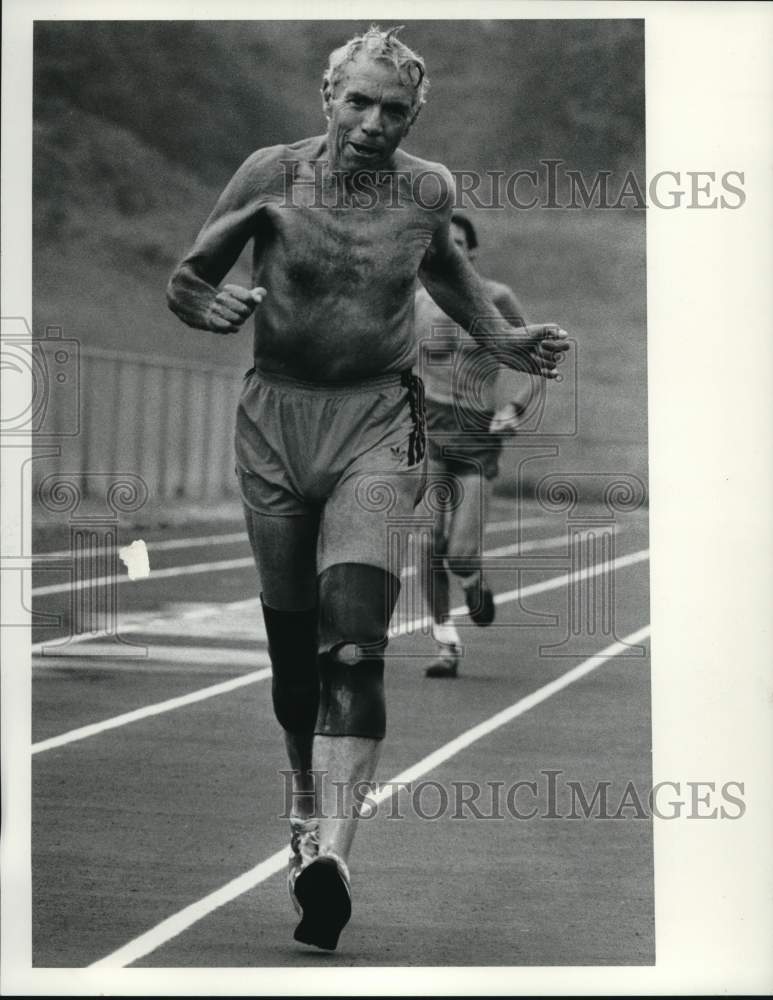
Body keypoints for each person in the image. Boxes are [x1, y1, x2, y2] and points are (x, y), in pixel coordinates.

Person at [167, 25, 569, 952]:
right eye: (358, 101)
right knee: (293, 653)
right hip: (276, 420)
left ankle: (334, 861)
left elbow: (451, 278)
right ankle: (303, 811)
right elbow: (190, 278)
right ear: (327, 98)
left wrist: (510, 344)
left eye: (394, 109)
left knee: (352, 645)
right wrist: (205, 303)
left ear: (413, 116)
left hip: (381, 423)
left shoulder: (426, 191)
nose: (374, 121)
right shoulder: (270, 175)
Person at [417, 213, 536, 678]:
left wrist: (515, 408)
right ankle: (446, 643)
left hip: (475, 437)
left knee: (460, 553)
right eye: (443, 242)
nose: (452, 249)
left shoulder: (497, 298)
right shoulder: (417, 301)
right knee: (429, 542)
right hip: (427, 431)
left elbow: (536, 363)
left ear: (471, 252)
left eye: (460, 243)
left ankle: (471, 579)